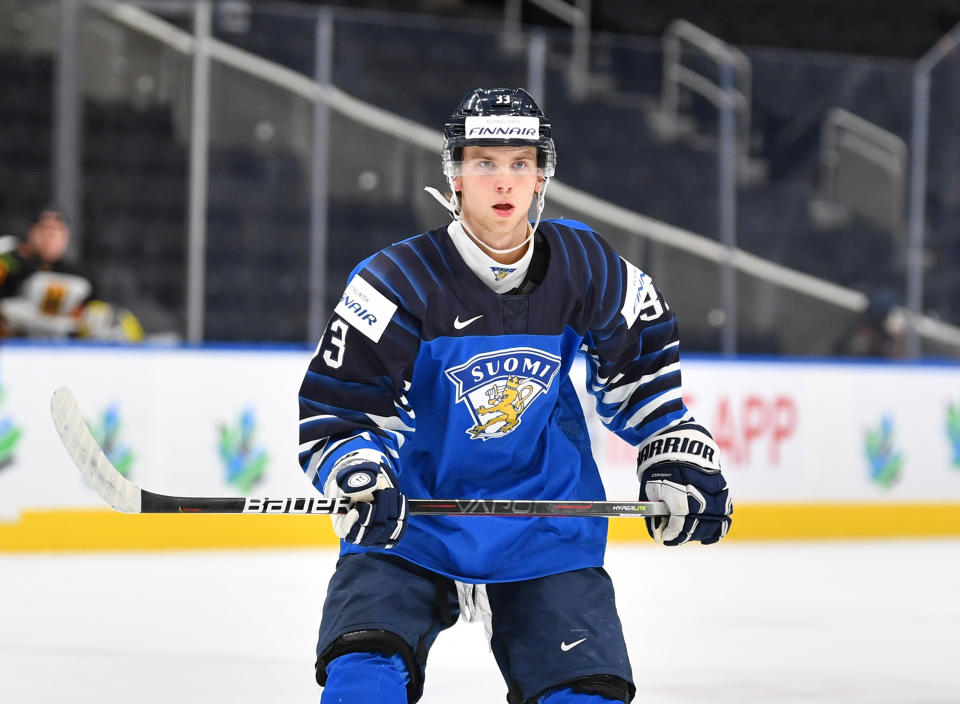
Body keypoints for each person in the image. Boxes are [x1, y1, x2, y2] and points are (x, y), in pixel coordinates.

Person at [297, 87, 732, 704]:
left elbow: (643, 372)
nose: (503, 181)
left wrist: (675, 452)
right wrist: (358, 474)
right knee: (362, 683)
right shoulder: (392, 281)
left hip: (545, 521)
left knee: (584, 696)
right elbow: (339, 408)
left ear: (541, 177)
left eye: (520, 163)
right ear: (455, 176)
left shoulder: (585, 264)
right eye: (484, 163)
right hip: (414, 521)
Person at [0, 207, 143, 341]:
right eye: (45, 228)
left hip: (64, 351)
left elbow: (91, 316)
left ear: (66, 236)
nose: (51, 235)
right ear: (32, 232)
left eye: (57, 230)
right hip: (14, 347)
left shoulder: (80, 276)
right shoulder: (11, 265)